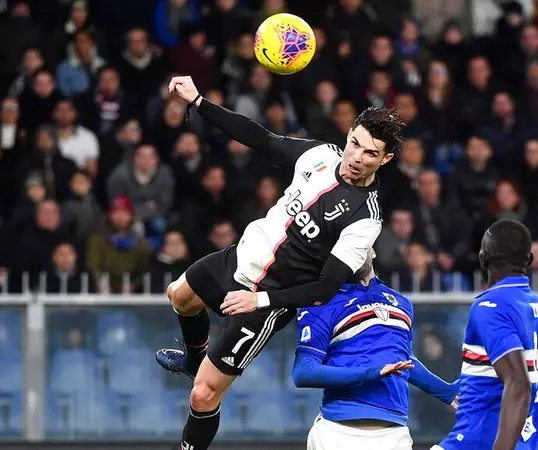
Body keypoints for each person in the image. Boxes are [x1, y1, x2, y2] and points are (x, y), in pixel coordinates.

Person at [156, 76, 405, 450]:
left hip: (266, 299)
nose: (356, 157)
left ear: (385, 159)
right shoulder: (321, 154)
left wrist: (258, 302)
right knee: (179, 296)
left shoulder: (365, 218)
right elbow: (260, 138)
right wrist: (199, 101)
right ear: (349, 133)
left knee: (203, 396)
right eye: (355, 143)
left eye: (370, 153)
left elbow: (324, 290)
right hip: (241, 256)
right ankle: (195, 359)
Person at [295, 249, 459, 450]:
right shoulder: (321, 303)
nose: (352, 248)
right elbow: (303, 371)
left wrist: (446, 391)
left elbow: (404, 360)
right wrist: (370, 373)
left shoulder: (402, 303)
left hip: (394, 434)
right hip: (337, 433)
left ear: (372, 250)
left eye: (357, 242)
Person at [433, 219, 538, 450]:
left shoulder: (489, 306)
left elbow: (518, 384)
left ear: (483, 257)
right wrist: (524, 441)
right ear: (530, 260)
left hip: (473, 443)